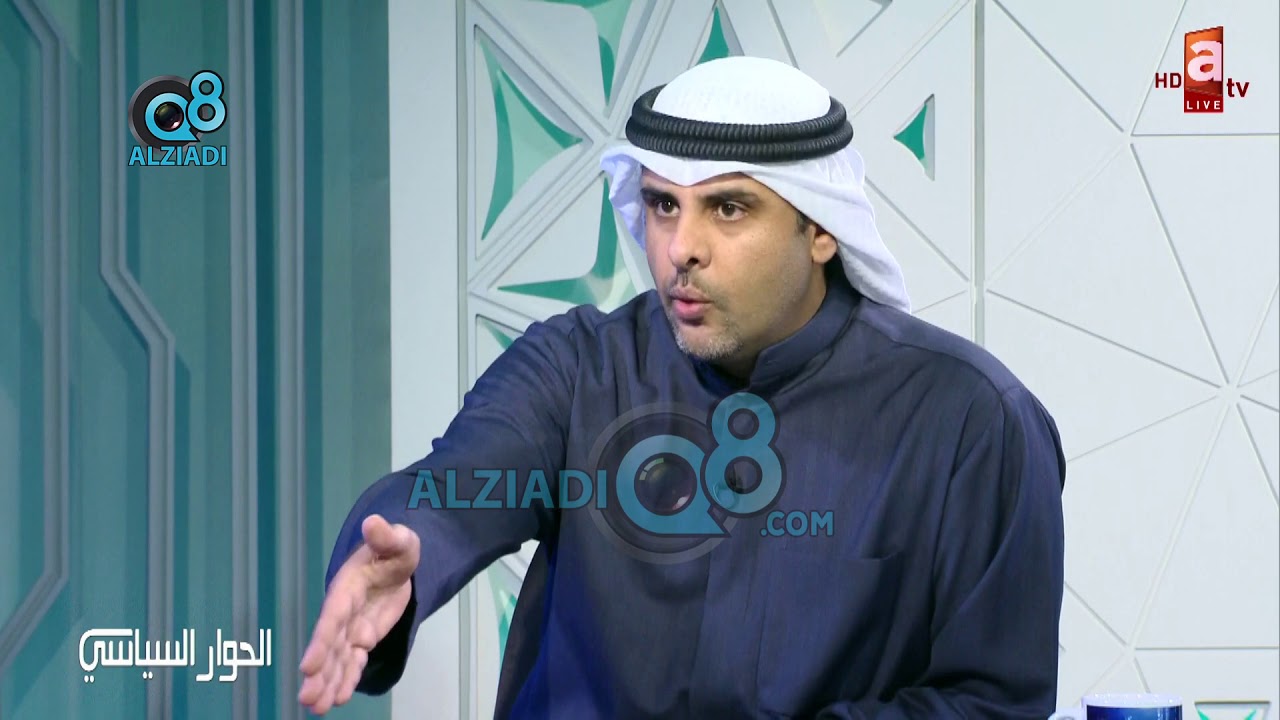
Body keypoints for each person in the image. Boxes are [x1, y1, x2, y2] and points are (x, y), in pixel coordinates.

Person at [298, 56, 1067, 719]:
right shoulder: (577, 367)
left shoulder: (971, 422)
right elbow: (453, 489)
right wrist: (405, 561)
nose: (680, 249)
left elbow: (992, 701)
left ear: (821, 230)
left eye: (728, 208)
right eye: (664, 205)